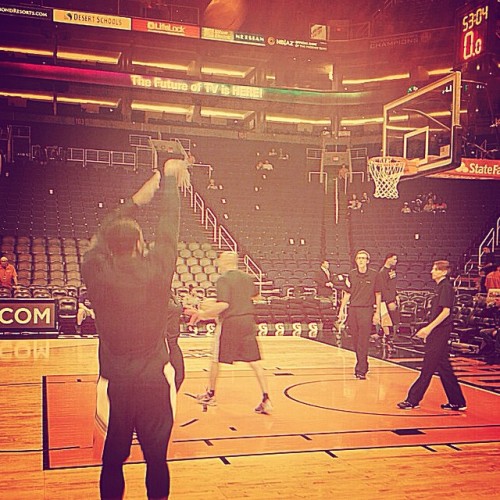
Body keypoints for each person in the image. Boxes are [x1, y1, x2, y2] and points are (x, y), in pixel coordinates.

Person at [81, 159, 190, 500]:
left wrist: (137, 200)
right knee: (157, 461)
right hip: (154, 383)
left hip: (116, 386)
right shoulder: (158, 271)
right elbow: (169, 228)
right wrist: (169, 180)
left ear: (109, 250)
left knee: (112, 462)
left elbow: (100, 235)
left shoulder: (96, 273)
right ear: (141, 245)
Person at [186, 251, 272, 414]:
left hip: (230, 323)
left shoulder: (223, 279)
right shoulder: (247, 278)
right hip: (248, 322)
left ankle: (210, 394)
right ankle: (266, 399)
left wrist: (203, 313)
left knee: (215, 358)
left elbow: (224, 305)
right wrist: (239, 300)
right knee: (255, 362)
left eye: (220, 260)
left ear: (224, 261)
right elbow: (257, 296)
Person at [397, 260, 467, 411]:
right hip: (438, 331)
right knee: (444, 367)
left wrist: (428, 329)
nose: (431, 272)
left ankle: (412, 400)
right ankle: (457, 401)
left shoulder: (446, 287)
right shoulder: (440, 287)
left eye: (435, 269)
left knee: (428, 367)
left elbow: (446, 312)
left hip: (440, 331)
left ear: (443, 272)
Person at [338, 250, 379, 379]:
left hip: (366, 310)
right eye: (359, 258)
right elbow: (347, 293)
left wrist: (377, 312)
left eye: (363, 258)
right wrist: (341, 310)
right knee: (355, 340)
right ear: (356, 260)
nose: (361, 260)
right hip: (353, 310)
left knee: (363, 340)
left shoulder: (374, 275)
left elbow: (378, 293)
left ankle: (360, 369)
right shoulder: (351, 274)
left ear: (367, 260)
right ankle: (363, 363)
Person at [375, 254, 400, 345]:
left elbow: (392, 285)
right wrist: (389, 301)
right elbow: (383, 288)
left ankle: (381, 334)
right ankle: (388, 338)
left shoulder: (392, 270)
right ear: (388, 259)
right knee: (386, 319)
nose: (396, 261)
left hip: (392, 297)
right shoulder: (382, 272)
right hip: (385, 300)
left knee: (393, 319)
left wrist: (396, 295)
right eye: (394, 259)